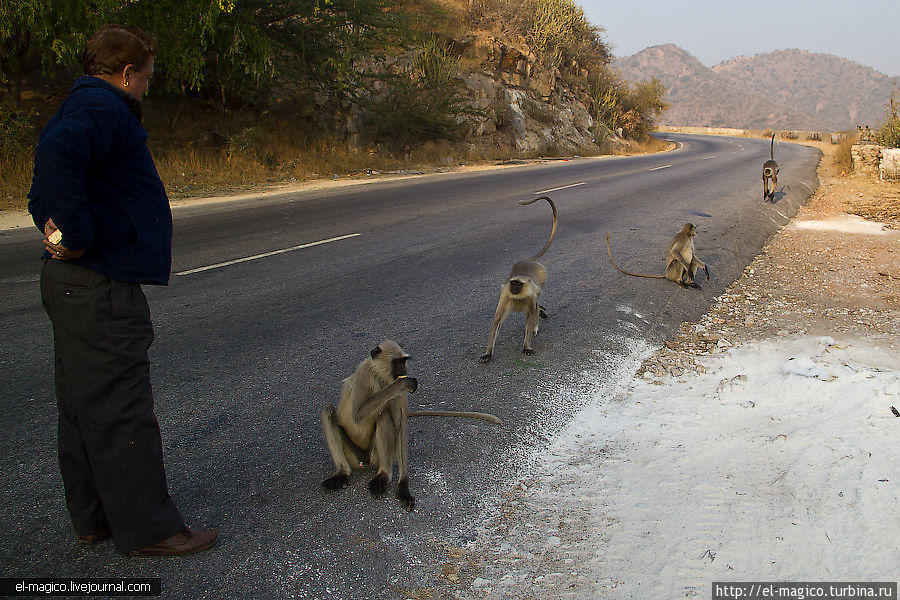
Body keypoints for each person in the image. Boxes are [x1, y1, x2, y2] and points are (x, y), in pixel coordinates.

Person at [27, 24, 217, 556]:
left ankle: (95, 520)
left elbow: (44, 176)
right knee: (120, 407)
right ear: (128, 73)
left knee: (83, 405)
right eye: (148, 77)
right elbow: (60, 157)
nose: (148, 88)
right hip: (98, 284)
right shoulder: (105, 108)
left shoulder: (76, 105)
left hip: (74, 283)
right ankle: (149, 529)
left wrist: (55, 226)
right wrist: (78, 236)